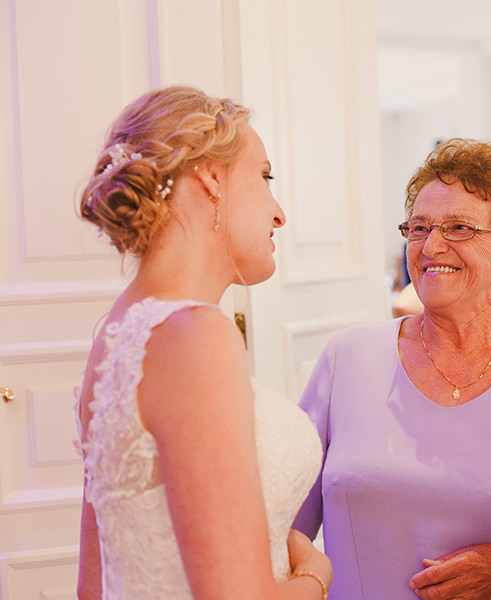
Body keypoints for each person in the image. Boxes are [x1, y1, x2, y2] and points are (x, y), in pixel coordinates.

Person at [295, 138, 491, 599]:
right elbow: (285, 529)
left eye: (459, 228)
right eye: (419, 227)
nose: (431, 246)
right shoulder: (347, 357)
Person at [75, 86, 331, 600]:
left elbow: (92, 586)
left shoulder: (119, 332)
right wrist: (317, 576)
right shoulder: (194, 336)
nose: (279, 213)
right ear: (211, 178)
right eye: (264, 177)